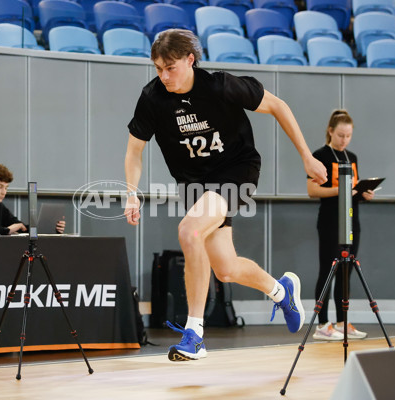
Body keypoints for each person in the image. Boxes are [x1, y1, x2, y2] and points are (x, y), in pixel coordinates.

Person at [124, 29, 328, 361]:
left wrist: (306, 155)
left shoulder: (220, 85)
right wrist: (132, 193)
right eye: (158, 68)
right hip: (195, 184)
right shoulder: (152, 98)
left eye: (170, 67)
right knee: (226, 270)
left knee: (188, 230)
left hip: (236, 170)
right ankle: (281, 291)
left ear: (190, 60)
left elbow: (278, 105)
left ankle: (195, 334)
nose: (164, 76)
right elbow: (134, 151)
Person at [307, 109, 375, 341]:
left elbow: (352, 192)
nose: (344, 140)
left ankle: (342, 322)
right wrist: (343, 189)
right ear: (330, 131)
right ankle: (322, 324)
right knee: (327, 271)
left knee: (346, 272)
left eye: (348, 136)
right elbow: (312, 190)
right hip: (329, 221)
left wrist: (362, 193)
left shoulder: (351, 157)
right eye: (341, 135)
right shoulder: (320, 155)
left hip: (351, 220)